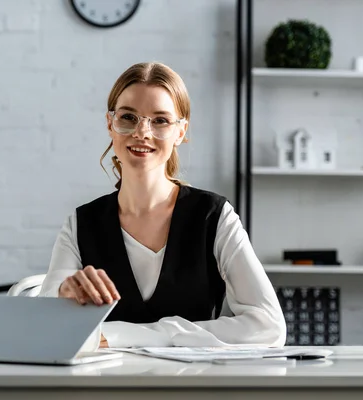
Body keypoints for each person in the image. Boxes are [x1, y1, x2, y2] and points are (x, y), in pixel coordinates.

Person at [39, 62, 286, 350]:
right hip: (104, 391)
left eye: (160, 121)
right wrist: (61, 297)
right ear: (110, 124)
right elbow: (44, 328)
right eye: (128, 117)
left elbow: (269, 327)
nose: (142, 132)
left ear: (180, 132)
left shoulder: (214, 217)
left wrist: (127, 335)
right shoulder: (80, 224)